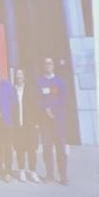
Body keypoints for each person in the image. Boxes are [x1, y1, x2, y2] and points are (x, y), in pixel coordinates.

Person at [37, 57, 69, 185]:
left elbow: (64, 98)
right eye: (45, 63)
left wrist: (54, 111)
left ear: (53, 65)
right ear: (43, 66)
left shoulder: (60, 81)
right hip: (45, 122)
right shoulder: (39, 82)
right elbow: (37, 99)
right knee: (47, 149)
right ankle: (50, 175)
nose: (48, 65)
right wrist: (46, 109)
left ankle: (63, 176)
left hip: (58, 120)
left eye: (50, 63)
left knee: (61, 149)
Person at [11, 68, 41, 182]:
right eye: (17, 74)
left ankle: (32, 171)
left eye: (21, 74)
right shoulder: (12, 90)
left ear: (24, 76)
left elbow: (36, 106)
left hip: (30, 125)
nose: (19, 76)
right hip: (18, 125)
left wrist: (36, 122)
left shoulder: (30, 88)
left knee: (31, 149)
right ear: (15, 76)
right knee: (20, 149)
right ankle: (21, 171)